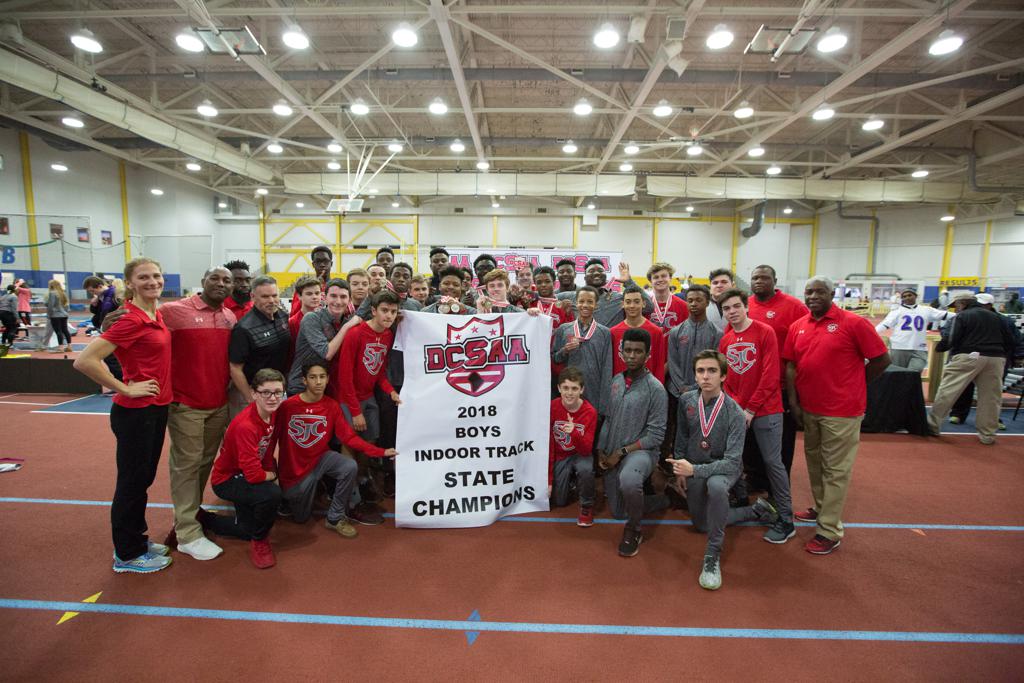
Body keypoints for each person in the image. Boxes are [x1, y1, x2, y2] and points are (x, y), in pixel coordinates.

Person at [74, 257, 174, 574]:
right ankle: (127, 555)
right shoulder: (130, 320)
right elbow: (85, 360)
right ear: (129, 282)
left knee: (142, 480)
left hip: (156, 409)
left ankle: (136, 539)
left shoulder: (153, 313)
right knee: (131, 483)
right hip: (136, 412)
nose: (152, 281)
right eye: (143, 277)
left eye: (156, 275)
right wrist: (124, 388)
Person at [783, 276, 890, 555]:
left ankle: (829, 530)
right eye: (809, 292)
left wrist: (856, 383)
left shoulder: (853, 323)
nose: (814, 296)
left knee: (836, 470)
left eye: (820, 291)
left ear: (832, 294)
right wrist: (794, 402)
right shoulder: (798, 326)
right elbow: (792, 366)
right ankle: (821, 508)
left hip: (842, 412)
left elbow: (881, 358)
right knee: (815, 464)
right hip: (809, 409)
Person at [667, 350, 778, 591]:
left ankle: (712, 556)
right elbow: (682, 437)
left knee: (717, 487)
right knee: (702, 524)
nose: (705, 376)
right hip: (694, 466)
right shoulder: (686, 401)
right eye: (700, 371)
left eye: (712, 371)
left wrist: (693, 470)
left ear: (724, 376)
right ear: (695, 376)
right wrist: (679, 468)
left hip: (722, 469)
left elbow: (731, 462)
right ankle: (755, 511)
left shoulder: (734, 413)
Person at [273, 361, 397, 537]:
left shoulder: (331, 405)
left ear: (328, 379)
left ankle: (335, 517)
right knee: (300, 518)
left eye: (322, 377)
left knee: (349, 466)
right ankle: (298, 496)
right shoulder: (287, 407)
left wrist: (381, 452)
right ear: (304, 381)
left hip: (320, 460)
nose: (318, 382)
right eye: (313, 377)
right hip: (295, 473)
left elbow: (349, 437)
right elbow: (270, 437)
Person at [717, 289, 795, 543]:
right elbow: (726, 379)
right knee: (735, 459)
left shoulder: (764, 332)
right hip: (739, 411)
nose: (732, 311)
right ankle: (741, 501)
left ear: (745, 307)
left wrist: (750, 409)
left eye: (736, 306)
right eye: (726, 308)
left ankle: (786, 519)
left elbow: (771, 375)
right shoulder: (726, 340)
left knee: (773, 464)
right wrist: (738, 408)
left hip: (766, 411)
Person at [596, 327, 669, 557]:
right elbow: (608, 419)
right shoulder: (616, 381)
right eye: (628, 350)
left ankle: (634, 529)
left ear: (648, 355)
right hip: (613, 448)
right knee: (618, 511)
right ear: (620, 352)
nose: (632, 355)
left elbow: (655, 436)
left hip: (641, 452)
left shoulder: (655, 389)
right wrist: (601, 449)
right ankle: (661, 500)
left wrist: (622, 452)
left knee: (629, 480)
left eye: (638, 351)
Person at [206, 369, 285, 569]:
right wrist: (273, 475)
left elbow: (267, 451)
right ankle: (259, 542)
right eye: (266, 392)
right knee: (272, 494)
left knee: (246, 528)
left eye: (277, 392)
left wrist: (269, 469)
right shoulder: (246, 425)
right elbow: (253, 474)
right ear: (254, 393)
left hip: (247, 474)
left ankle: (205, 518)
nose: (272, 397)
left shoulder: (273, 414)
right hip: (227, 479)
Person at [928, 291, 1015, 445]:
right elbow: (1010, 339)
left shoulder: (962, 316)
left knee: (948, 391)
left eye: (956, 306)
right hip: (996, 357)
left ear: (962, 303)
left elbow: (952, 337)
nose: (956, 309)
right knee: (991, 398)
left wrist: (940, 348)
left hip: (968, 356)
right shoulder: (998, 317)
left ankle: (932, 427)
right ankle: (987, 435)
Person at [747, 265, 808, 481]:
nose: (759, 281)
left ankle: (777, 487)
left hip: (780, 387)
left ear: (775, 280)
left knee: (781, 442)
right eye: (755, 278)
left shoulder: (794, 307)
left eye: (764, 278)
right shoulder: (746, 305)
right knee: (751, 441)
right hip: (750, 387)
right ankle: (755, 482)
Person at [664, 285, 723, 473]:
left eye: (698, 300)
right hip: (676, 391)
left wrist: (695, 386)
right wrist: (682, 385)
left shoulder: (716, 333)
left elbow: (715, 364)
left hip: (704, 392)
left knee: (701, 431)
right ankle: (673, 468)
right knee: (674, 431)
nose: (694, 304)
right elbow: (672, 362)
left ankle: (700, 466)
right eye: (690, 300)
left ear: (707, 302)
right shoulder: (676, 332)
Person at [228, 275, 290, 417]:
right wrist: (250, 397)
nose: (271, 301)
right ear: (253, 296)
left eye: (274, 295)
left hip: (276, 390)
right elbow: (235, 368)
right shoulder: (243, 328)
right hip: (253, 392)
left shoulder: (282, 316)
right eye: (265, 296)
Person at [288, 279, 361, 396]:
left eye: (343, 297)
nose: (338, 301)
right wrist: (347, 326)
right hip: (302, 387)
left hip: (327, 388)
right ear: (325, 298)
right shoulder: (311, 318)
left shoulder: (347, 321)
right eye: (333, 296)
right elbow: (327, 353)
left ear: (349, 300)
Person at [552, 286, 613, 419]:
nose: (585, 305)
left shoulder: (605, 333)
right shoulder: (564, 329)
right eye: (581, 301)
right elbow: (554, 359)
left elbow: (607, 369)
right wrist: (564, 351)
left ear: (596, 305)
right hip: (569, 391)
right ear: (576, 303)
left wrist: (603, 405)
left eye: (590, 302)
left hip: (594, 391)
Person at [548, 367, 598, 525]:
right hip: (561, 455)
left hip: (580, 454)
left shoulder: (589, 412)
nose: (569, 393)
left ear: (581, 389)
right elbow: (548, 445)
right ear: (558, 388)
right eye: (566, 388)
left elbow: (586, 449)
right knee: (559, 501)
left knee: (585, 468)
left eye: (574, 388)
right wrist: (549, 480)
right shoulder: (552, 407)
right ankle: (571, 483)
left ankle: (587, 504)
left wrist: (574, 433)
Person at [557, 259, 652, 327]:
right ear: (585, 278)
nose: (596, 273)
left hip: (609, 350)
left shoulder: (618, 298)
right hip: (580, 349)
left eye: (600, 270)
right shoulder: (571, 296)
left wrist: (629, 282)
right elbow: (545, 301)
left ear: (606, 276)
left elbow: (648, 307)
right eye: (591, 271)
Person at [875, 287, 950, 372]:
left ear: (915, 296)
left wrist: (963, 314)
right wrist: (870, 333)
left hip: (919, 348)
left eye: (909, 295)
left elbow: (946, 315)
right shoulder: (896, 311)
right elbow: (884, 325)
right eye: (904, 296)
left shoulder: (926, 310)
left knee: (915, 372)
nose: (907, 298)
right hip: (899, 347)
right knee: (897, 374)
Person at [610, 285, 666, 382]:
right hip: (621, 388)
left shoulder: (656, 332)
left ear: (643, 303)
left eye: (636, 301)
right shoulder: (613, 332)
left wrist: (658, 391)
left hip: (648, 388)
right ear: (622, 304)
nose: (632, 306)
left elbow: (659, 365)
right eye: (628, 302)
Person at [645, 262, 689, 331]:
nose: (660, 279)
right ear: (651, 281)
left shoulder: (684, 306)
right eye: (656, 277)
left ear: (670, 278)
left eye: (663, 276)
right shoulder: (644, 306)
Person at [289, 246, 332, 316]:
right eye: (318, 261)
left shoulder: (338, 287)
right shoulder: (303, 287)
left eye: (325, 261)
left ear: (331, 263)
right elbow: (294, 315)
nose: (322, 265)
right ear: (313, 265)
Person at [288, 275, 323, 360]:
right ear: (299, 296)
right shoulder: (292, 322)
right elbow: (292, 352)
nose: (314, 297)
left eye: (317, 293)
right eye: (309, 294)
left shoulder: (326, 318)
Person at [45, 280, 72, 353]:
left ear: (52, 285)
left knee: (58, 331)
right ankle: (69, 346)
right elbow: (66, 305)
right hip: (64, 314)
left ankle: (61, 348)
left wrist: (49, 315)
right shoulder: (62, 293)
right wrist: (65, 313)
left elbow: (51, 305)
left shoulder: (52, 293)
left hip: (55, 315)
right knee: (65, 330)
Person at [1, 285, 21, 354]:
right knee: (13, 328)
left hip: (1, 313)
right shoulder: (14, 297)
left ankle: (3, 343)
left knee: (8, 328)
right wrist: (17, 318)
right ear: (14, 290)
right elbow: (14, 309)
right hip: (8, 313)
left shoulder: (3, 296)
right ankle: (10, 344)